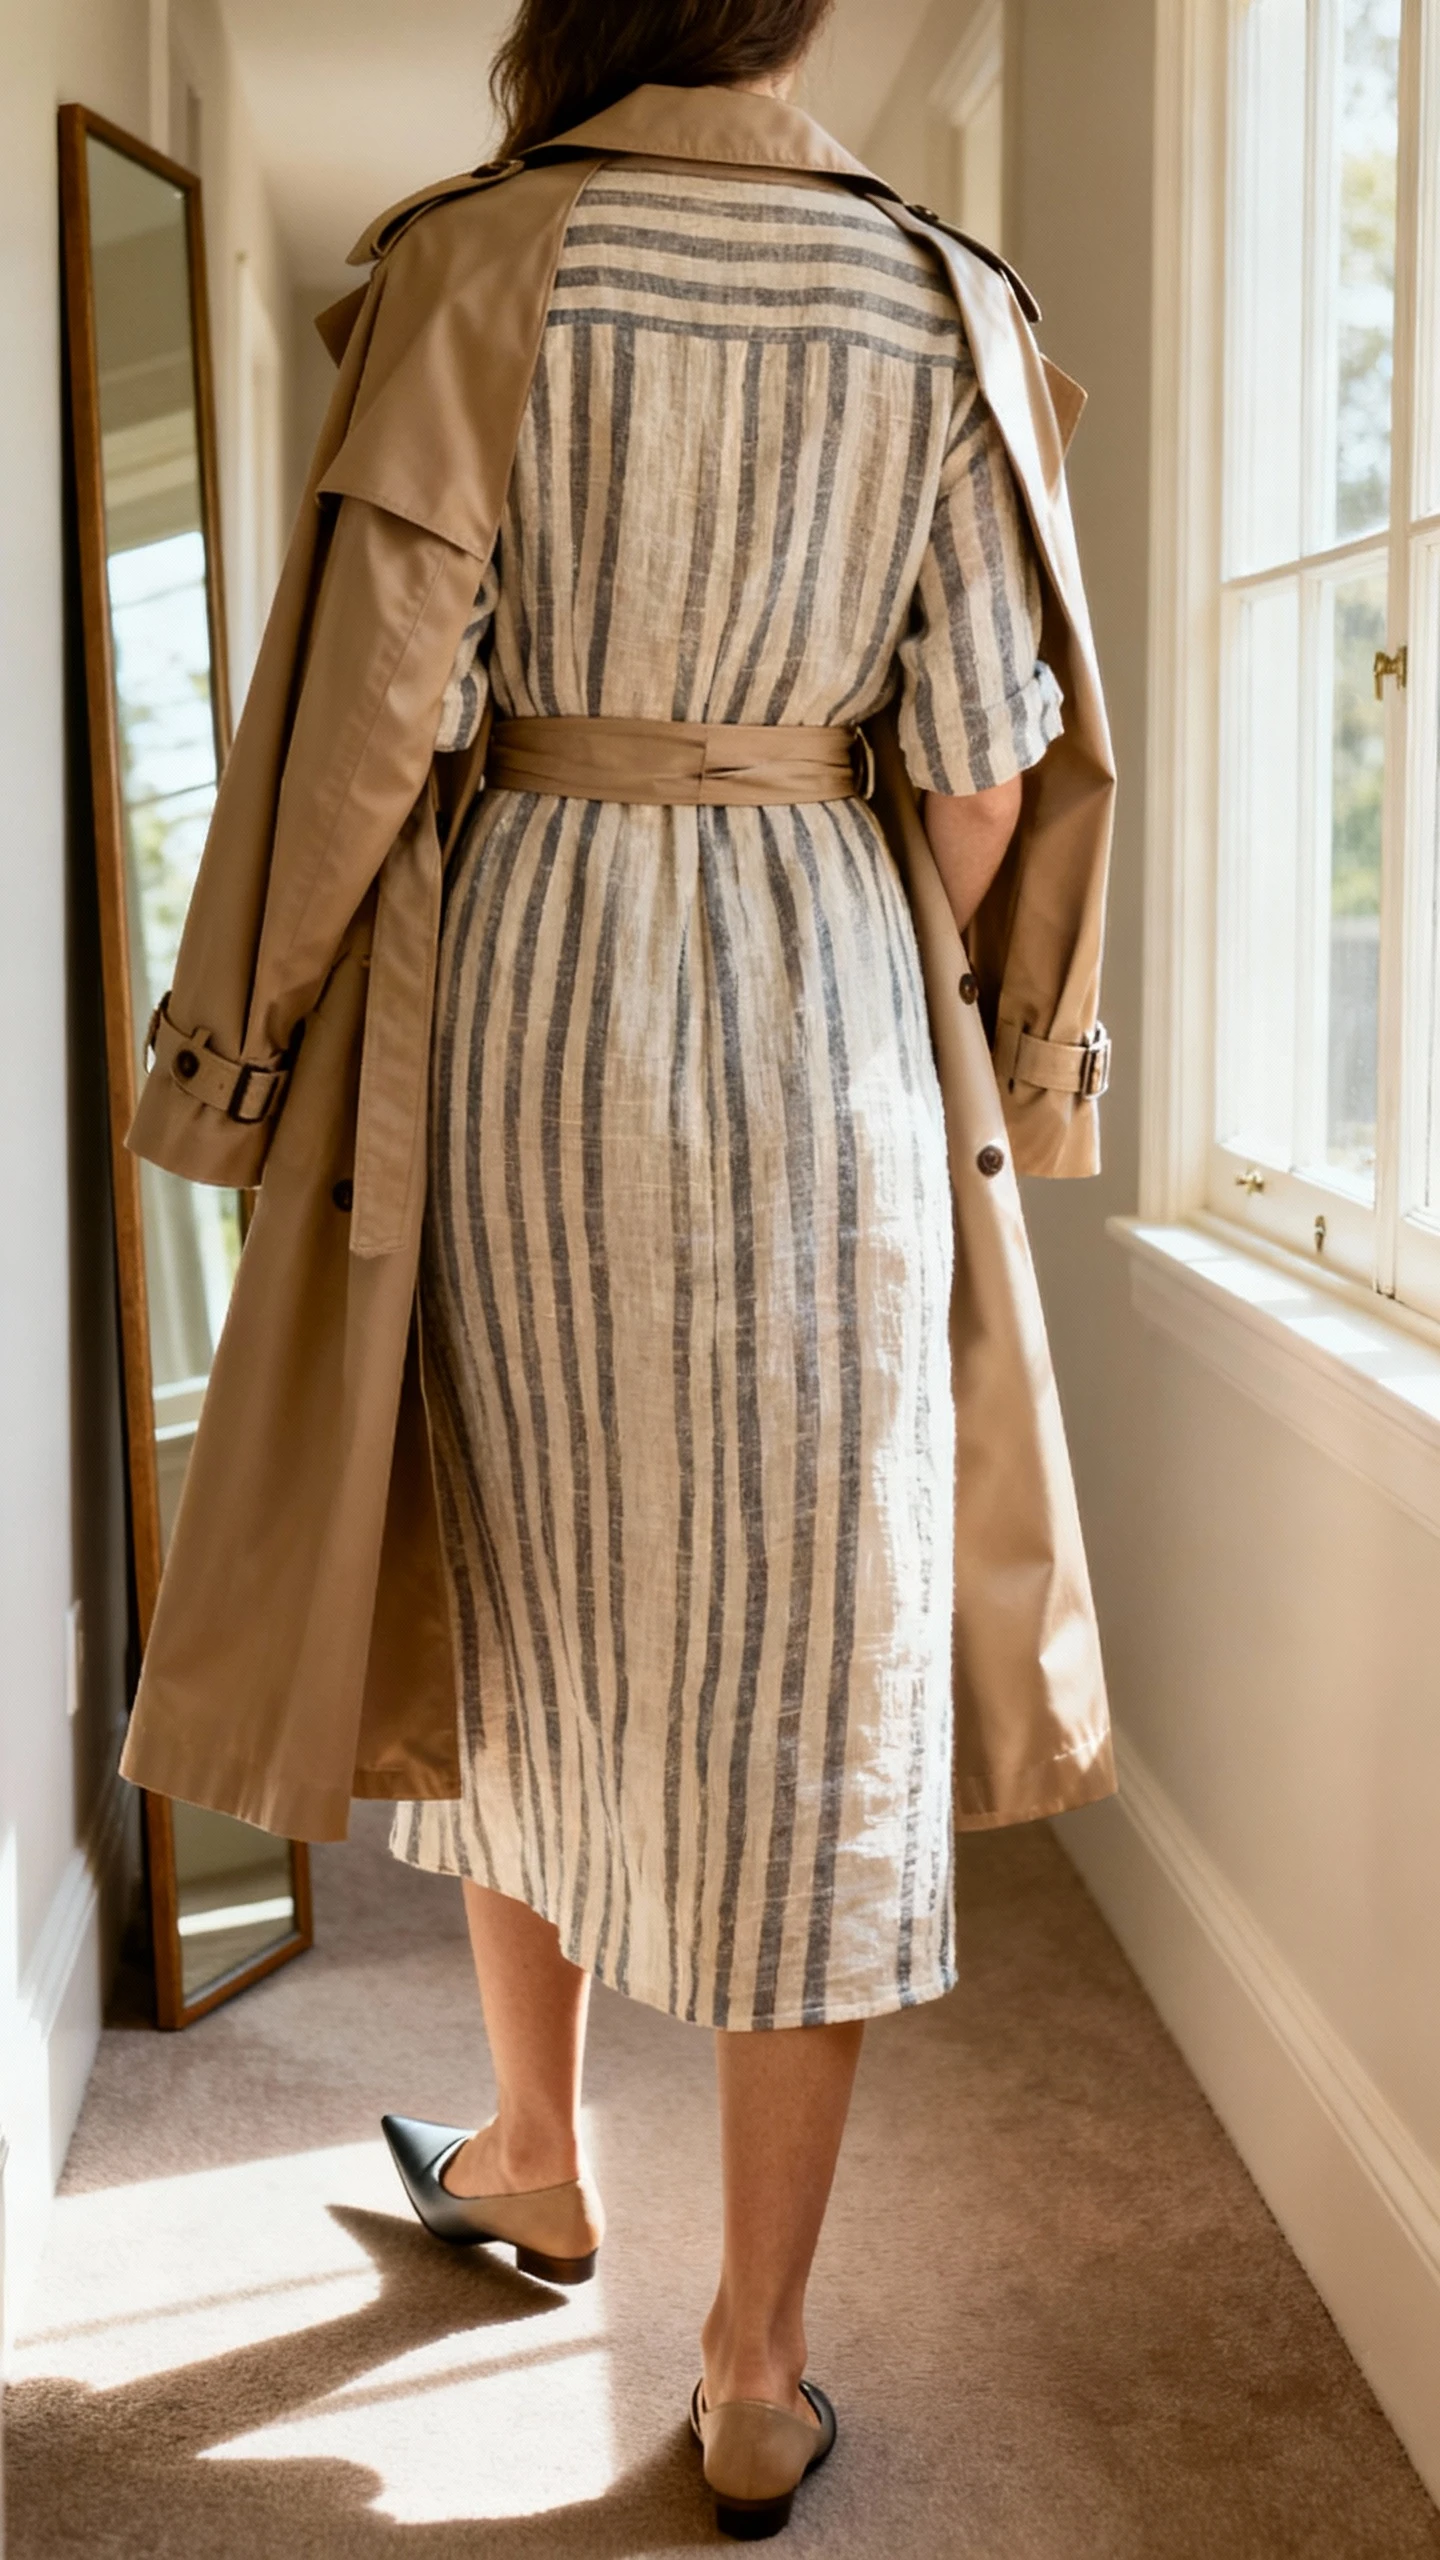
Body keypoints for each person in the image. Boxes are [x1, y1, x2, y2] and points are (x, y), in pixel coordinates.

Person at [121, 0, 1116, 2537]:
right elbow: (994, 777)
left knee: (525, 1589)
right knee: (819, 1662)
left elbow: (361, 732)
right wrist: (879, 931)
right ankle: (756, 2365)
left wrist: (238, 1067)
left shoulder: (476, 264)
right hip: (821, 1021)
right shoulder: (937, 297)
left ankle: (545, 2147)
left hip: (534, 1011)